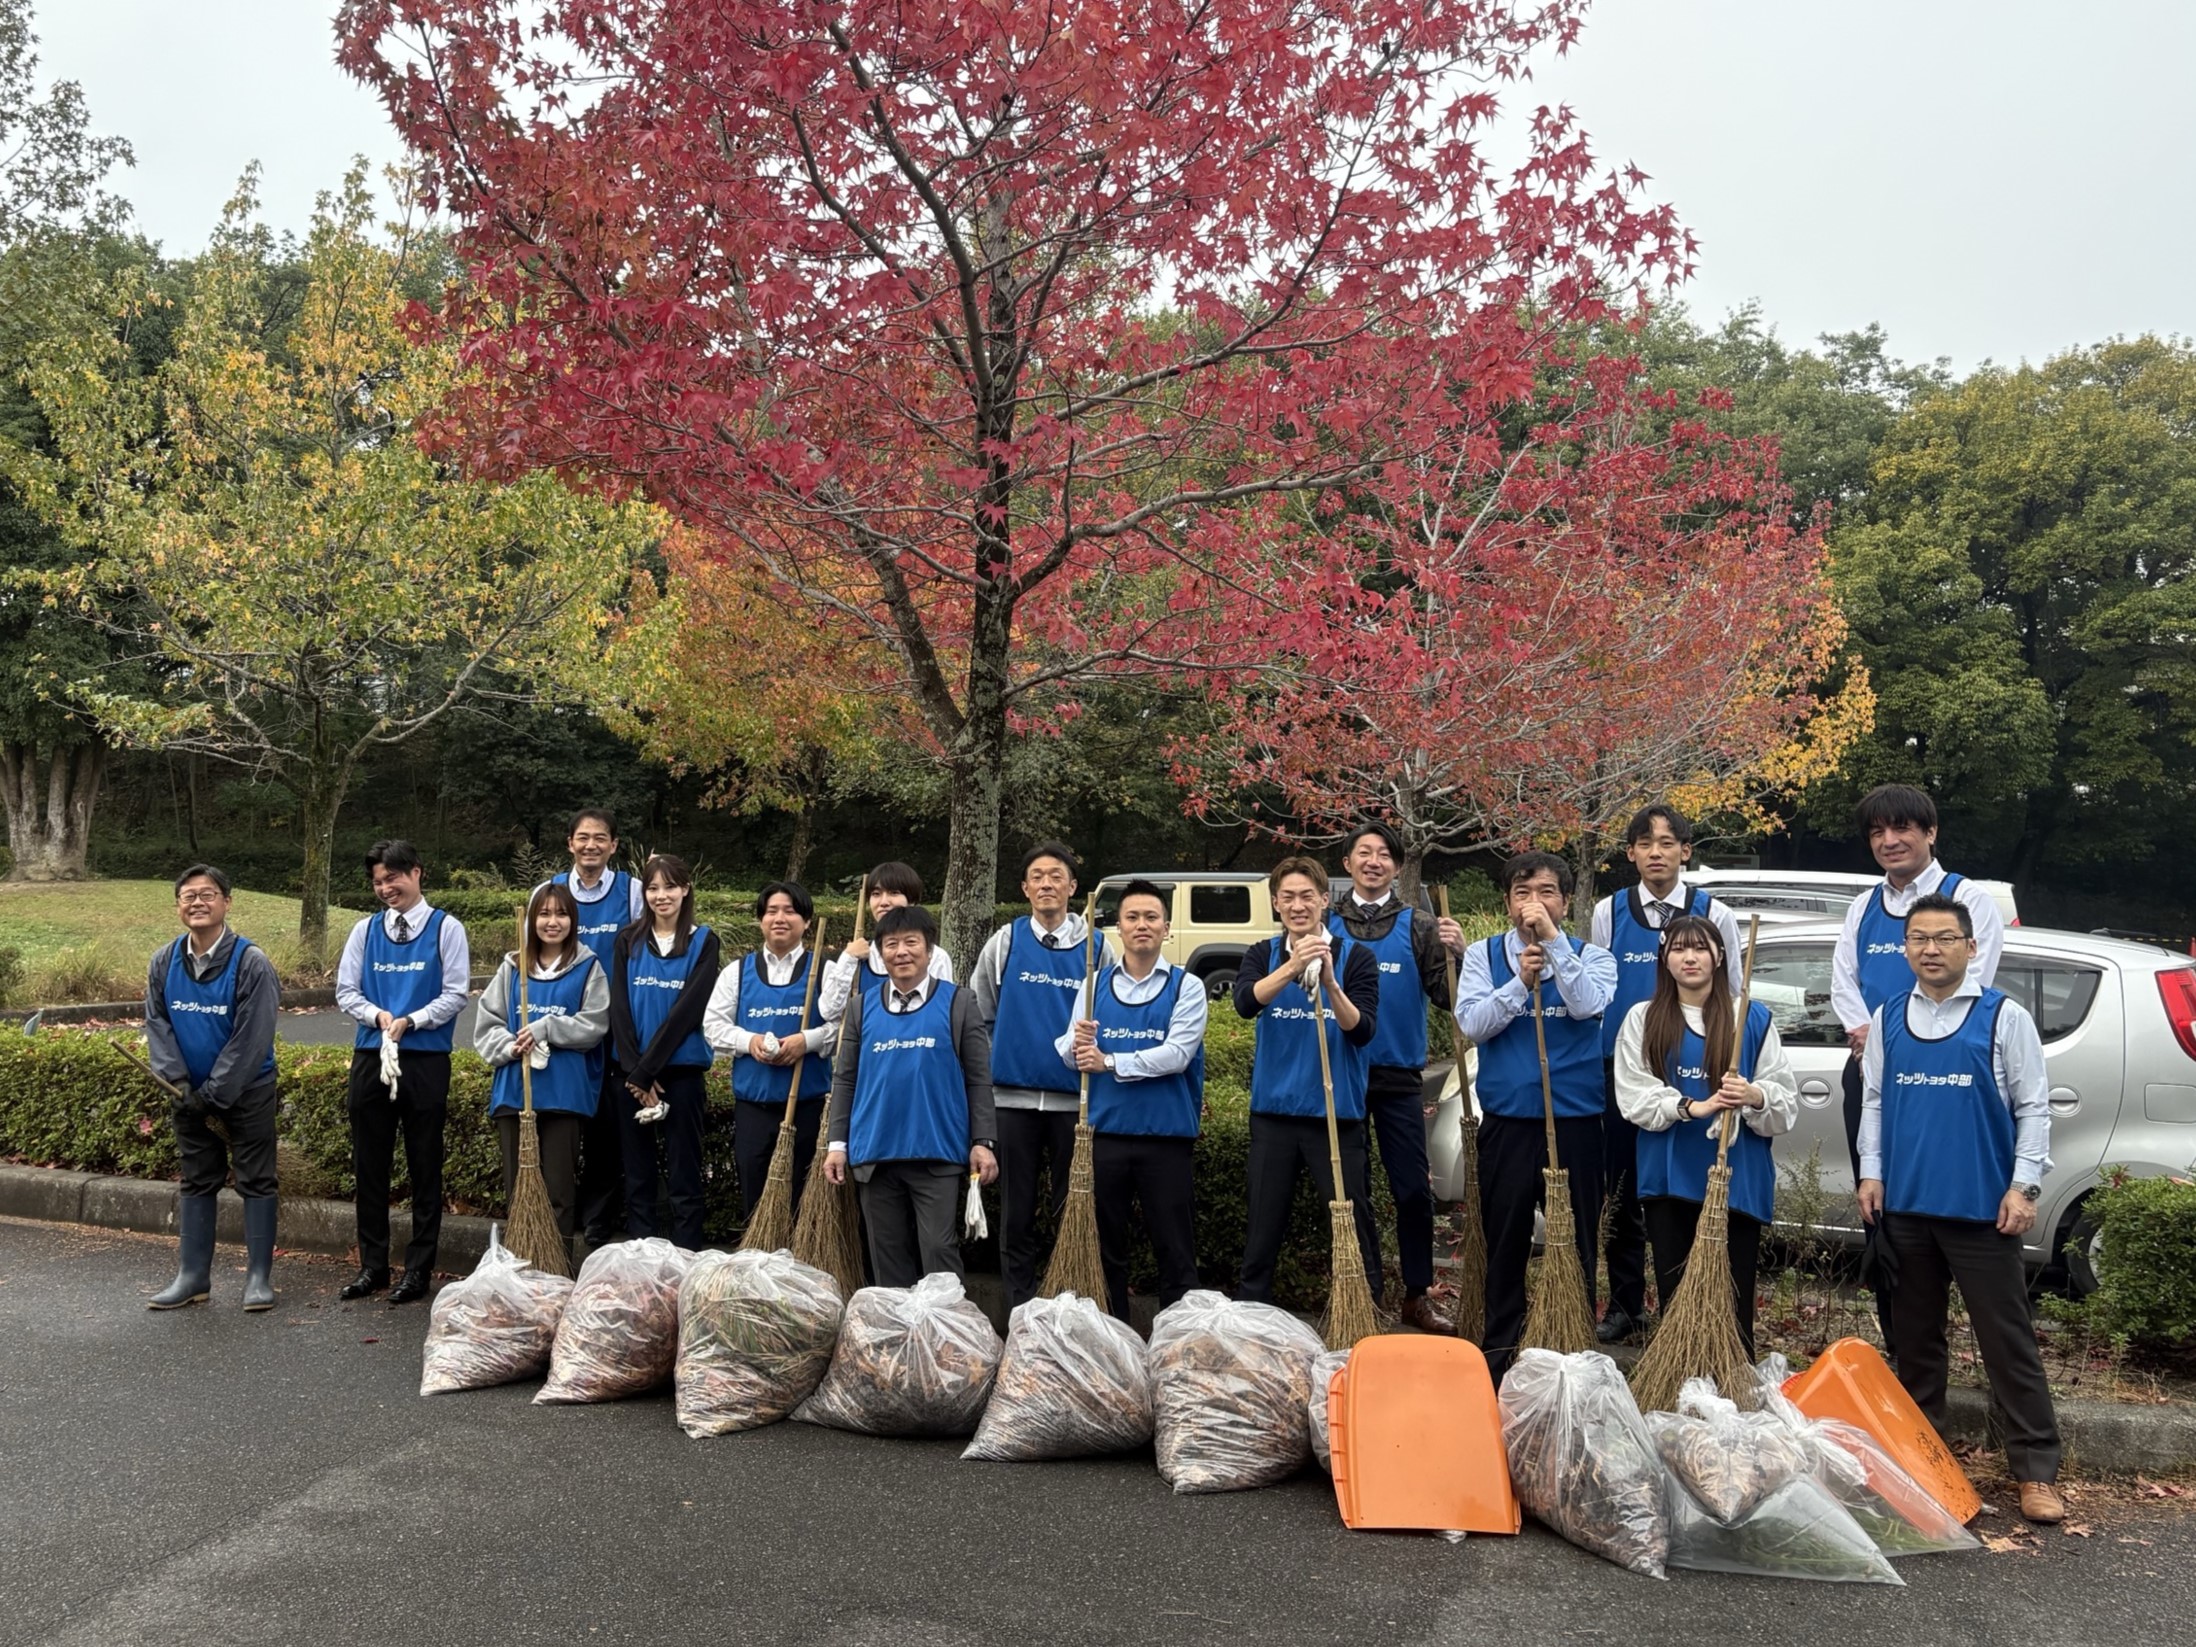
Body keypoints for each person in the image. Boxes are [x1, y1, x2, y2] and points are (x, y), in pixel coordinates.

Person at [1856, 892, 2064, 1525]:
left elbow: (2033, 1108)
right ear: (1906, 948)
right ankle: (1926, 1462)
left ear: (1971, 947)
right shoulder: (1889, 1016)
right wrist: (1871, 1173)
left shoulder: (2004, 1018)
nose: (1930, 949)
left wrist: (2023, 1187)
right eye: (1918, 938)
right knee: (1915, 1345)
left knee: (2008, 1345)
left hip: (1982, 1213)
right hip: (1908, 1212)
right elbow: (1874, 1104)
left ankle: (2035, 1470)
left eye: (1944, 938)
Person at [1830, 783, 2004, 1359]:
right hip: (1871, 1074)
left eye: (1902, 828)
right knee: (1881, 1210)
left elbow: (1973, 985)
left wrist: (1905, 1040)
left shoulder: (1968, 899)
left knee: (1953, 1218)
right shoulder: (1862, 906)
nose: (1889, 841)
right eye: (1877, 832)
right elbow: (1843, 984)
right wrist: (1873, 1037)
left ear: (1930, 833)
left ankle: (1973, 1351)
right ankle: (1902, 1347)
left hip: (1948, 1077)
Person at [1456, 850, 1617, 1381]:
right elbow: (1473, 1024)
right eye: (1523, 894)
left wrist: (1554, 950)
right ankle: (1499, 1351)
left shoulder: (1595, 956)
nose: (1534, 904)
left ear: (1565, 902)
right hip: (1509, 1122)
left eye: (1546, 892)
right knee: (1505, 1238)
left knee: (1577, 1239)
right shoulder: (1482, 956)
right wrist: (1517, 985)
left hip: (1575, 1118)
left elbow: (1588, 1005)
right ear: (1507, 903)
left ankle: (1571, 1344)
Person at [1587, 804, 1746, 1344]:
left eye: (1667, 841)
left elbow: (1735, 995)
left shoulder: (1714, 913)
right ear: (1630, 853)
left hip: (1696, 1070)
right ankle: (1627, 1304)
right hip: (1626, 1069)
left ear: (1686, 851)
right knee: (1625, 1188)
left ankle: (1694, 1306)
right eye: (1644, 842)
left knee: (1687, 1191)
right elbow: (1600, 990)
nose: (1656, 851)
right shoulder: (1609, 911)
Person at [1613, 914, 1795, 1357]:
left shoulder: (1750, 1018)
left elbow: (1784, 1100)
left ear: (1719, 956)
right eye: (1678, 948)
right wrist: (1692, 1107)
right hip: (1670, 1177)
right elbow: (1633, 1094)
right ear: (1664, 958)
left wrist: (1753, 1095)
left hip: (1735, 1180)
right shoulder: (1644, 1017)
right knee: (1677, 1295)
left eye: (1699, 948)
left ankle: (1732, 1393)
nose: (1689, 957)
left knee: (1733, 1303)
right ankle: (1680, 1388)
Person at [1327, 822, 1465, 1333]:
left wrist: (1460, 955)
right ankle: (1364, 1292)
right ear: (1348, 863)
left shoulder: (1420, 926)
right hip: (1341, 1075)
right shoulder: (1326, 924)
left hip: (1399, 1075)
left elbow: (1450, 999)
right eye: (1363, 852)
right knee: (1352, 1191)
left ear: (1397, 866)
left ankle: (1416, 1295)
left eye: (1384, 855)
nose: (1373, 861)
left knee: (1412, 1190)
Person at [1234, 856, 1384, 1309]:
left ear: (1324, 900)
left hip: (1337, 1115)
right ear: (1276, 904)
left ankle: (1364, 1308)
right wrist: (1291, 965)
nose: (1298, 906)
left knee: (1351, 1222)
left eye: (1307, 896)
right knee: (1262, 1224)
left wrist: (1332, 982)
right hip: (1274, 1113)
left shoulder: (1357, 956)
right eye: (1288, 898)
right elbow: (1244, 1003)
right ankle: (1251, 1314)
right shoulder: (1262, 953)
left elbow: (1362, 1030)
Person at [824, 905, 999, 1286]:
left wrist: (982, 1141)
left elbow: (978, 1079)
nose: (901, 952)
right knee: (887, 1260)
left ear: (930, 950)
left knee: (938, 1250)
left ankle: (947, 1336)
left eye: (910, 942)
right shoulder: (860, 1008)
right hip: (875, 1153)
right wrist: (837, 1144)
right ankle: (898, 1340)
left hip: (936, 1152)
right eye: (891, 944)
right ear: (879, 953)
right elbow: (845, 1081)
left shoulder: (959, 1003)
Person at [1058, 879, 1208, 1321]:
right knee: (1106, 1251)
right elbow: (1068, 1052)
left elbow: (1177, 1055)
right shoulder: (1093, 983)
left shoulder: (1188, 987)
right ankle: (1114, 1342)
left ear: (1166, 928)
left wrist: (1109, 1061)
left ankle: (1177, 1344)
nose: (1141, 925)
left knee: (1175, 1250)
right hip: (1105, 1138)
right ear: (1118, 927)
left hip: (1166, 1139)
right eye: (1132, 917)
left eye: (1151, 917)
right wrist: (1078, 1046)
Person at [334, 840, 471, 1304]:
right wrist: (379, 1018)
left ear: (416, 873)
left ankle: (419, 1269)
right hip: (372, 1054)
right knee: (369, 1165)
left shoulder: (446, 928)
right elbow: (346, 991)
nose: (386, 888)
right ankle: (373, 1266)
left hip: (425, 1057)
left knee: (424, 1164)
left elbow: (456, 993)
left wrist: (411, 1020)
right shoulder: (364, 931)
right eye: (377, 881)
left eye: (393, 877)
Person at [142, 864, 282, 1311]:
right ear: (178, 906)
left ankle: (259, 1278)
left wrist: (215, 1093)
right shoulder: (164, 961)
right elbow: (158, 1024)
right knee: (197, 1180)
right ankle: (192, 1277)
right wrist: (179, 1084)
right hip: (187, 1094)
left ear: (226, 902)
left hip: (248, 1090)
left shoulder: (250, 961)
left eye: (208, 894)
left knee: (256, 1180)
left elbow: (252, 1036)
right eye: (188, 896)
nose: (197, 902)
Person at [972, 840, 1096, 1308]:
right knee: (1017, 1212)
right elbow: (980, 1018)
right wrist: (991, 1074)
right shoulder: (1005, 941)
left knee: (1071, 1207)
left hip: (1074, 1102)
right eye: (1038, 876)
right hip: (1012, 1102)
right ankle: (1018, 1307)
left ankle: (1068, 1299)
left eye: (1056, 876)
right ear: (1025, 888)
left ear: (1072, 886)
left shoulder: (1097, 947)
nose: (1047, 883)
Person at [473, 881, 611, 1252]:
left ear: (573, 919)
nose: (553, 922)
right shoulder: (512, 966)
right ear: (532, 919)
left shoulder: (588, 967)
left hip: (563, 1094)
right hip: (515, 1091)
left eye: (562, 913)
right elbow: (487, 1024)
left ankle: (556, 1271)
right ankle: (519, 1271)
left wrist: (546, 1027)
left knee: (559, 1192)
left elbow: (595, 1024)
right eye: (545, 913)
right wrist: (511, 1044)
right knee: (519, 1188)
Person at [703, 880, 837, 1219]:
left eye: (790, 911)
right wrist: (750, 1042)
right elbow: (713, 1026)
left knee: (806, 1202)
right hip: (754, 1107)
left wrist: (806, 1041)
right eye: (772, 911)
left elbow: (845, 1027)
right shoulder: (737, 972)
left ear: (806, 921)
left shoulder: (825, 970)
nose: (780, 918)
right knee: (755, 1196)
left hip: (808, 1106)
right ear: (761, 920)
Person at [608, 853, 721, 1250]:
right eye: (653, 888)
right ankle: (643, 1256)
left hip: (682, 1073)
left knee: (684, 1172)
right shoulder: (627, 940)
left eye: (670, 886)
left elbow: (687, 1012)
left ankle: (686, 1255)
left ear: (686, 889)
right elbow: (619, 1010)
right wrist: (634, 1071)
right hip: (632, 1075)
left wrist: (646, 1071)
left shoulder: (705, 941)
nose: (661, 895)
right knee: (637, 1173)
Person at [547, 807, 645, 1252]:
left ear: (613, 845)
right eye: (582, 838)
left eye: (600, 838)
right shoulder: (547, 893)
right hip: (564, 1027)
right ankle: (559, 1215)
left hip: (614, 1029)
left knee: (608, 1128)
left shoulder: (634, 892)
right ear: (570, 843)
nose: (591, 845)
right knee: (566, 1127)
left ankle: (599, 1221)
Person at [817, 860, 953, 1026]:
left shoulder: (933, 955)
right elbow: (828, 1012)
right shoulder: (858, 955)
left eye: (894, 893)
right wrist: (848, 958)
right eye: (876, 894)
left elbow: (943, 1013)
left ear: (912, 901)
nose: (883, 902)